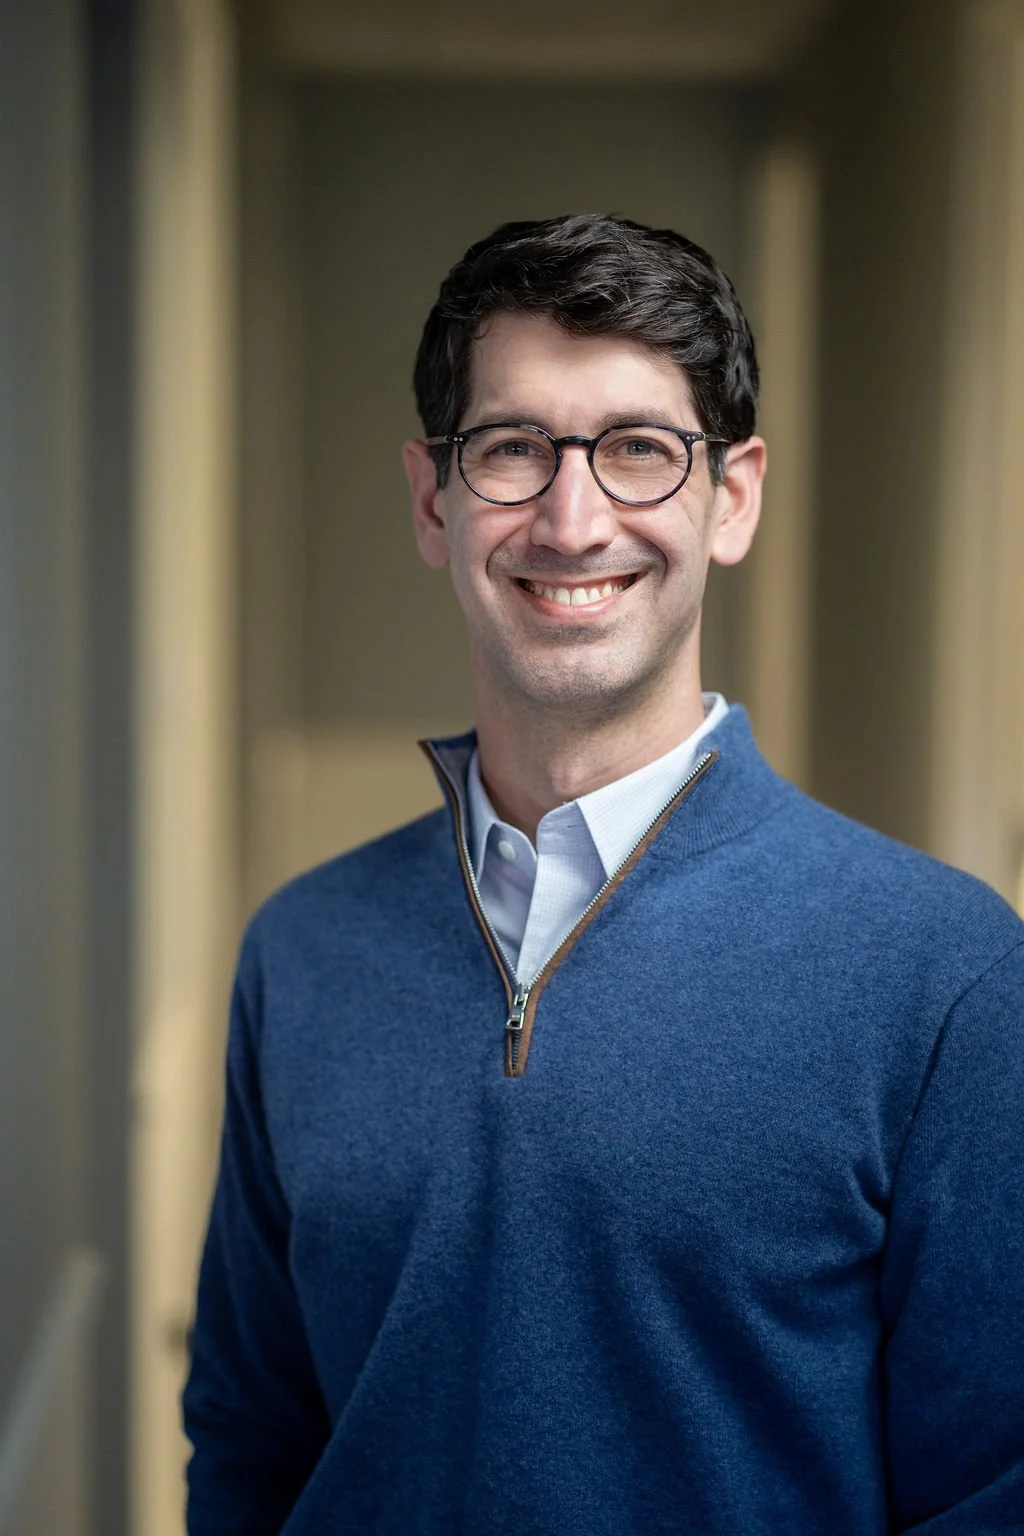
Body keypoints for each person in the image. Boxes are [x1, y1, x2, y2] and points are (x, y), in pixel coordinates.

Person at [183, 214, 1024, 1534]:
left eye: (639, 451)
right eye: (512, 450)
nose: (573, 522)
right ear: (431, 499)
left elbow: (993, 1488)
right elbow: (249, 1433)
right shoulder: (301, 952)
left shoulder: (946, 975)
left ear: (730, 497)